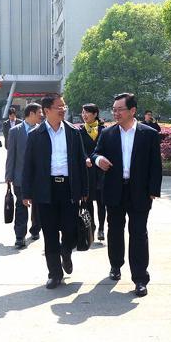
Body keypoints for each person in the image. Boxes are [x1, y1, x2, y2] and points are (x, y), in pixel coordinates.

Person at [91, 93, 162, 297]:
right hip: (114, 189)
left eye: (120, 109)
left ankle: (140, 278)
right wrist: (98, 160)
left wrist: (153, 191)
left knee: (139, 233)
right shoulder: (108, 133)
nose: (116, 113)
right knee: (115, 230)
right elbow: (95, 153)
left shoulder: (148, 134)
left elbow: (155, 165)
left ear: (132, 111)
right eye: (114, 109)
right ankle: (115, 265)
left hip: (140, 191)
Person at [22, 94, 88, 289]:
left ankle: (66, 252)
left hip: (69, 188)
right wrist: (26, 193)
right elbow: (28, 166)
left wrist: (84, 189)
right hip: (46, 189)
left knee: (70, 229)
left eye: (64, 106)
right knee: (49, 233)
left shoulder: (73, 132)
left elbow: (80, 162)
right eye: (59, 106)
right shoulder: (35, 135)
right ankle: (54, 273)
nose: (63, 109)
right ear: (47, 110)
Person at [5, 102, 43, 248]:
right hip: (19, 176)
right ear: (31, 113)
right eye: (39, 113)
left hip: (38, 177)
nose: (41, 115)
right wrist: (8, 176)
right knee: (21, 206)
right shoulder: (15, 131)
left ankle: (35, 229)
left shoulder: (42, 130)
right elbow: (11, 155)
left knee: (37, 206)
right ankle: (20, 236)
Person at [79, 103, 106, 241]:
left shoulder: (103, 130)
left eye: (87, 112)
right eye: (83, 112)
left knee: (101, 202)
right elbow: (79, 149)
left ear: (95, 114)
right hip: (87, 171)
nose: (84, 115)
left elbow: (106, 149)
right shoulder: (80, 131)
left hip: (101, 171)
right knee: (87, 202)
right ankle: (91, 227)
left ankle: (101, 228)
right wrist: (85, 158)